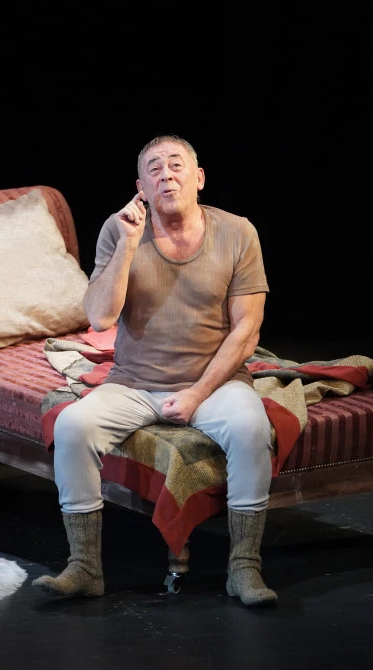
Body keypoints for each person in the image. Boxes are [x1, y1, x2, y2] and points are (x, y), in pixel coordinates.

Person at [32, 134, 277, 607]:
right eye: (155, 169)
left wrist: (196, 395)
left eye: (176, 165)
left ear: (199, 178)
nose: (167, 175)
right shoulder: (119, 229)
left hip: (215, 383)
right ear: (141, 187)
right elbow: (100, 318)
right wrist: (127, 246)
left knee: (251, 428)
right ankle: (84, 567)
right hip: (134, 382)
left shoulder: (237, 232)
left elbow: (247, 330)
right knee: (72, 426)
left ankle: (244, 567)